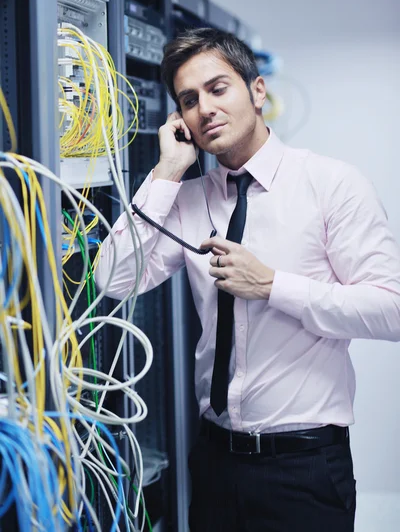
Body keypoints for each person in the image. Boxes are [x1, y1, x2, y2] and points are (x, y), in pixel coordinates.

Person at [95, 28, 400, 532]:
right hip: (214, 461)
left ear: (257, 91)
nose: (205, 108)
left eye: (218, 89)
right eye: (189, 100)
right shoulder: (188, 199)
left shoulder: (330, 185)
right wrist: (167, 174)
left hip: (303, 467)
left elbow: (390, 308)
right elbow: (112, 279)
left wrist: (272, 285)